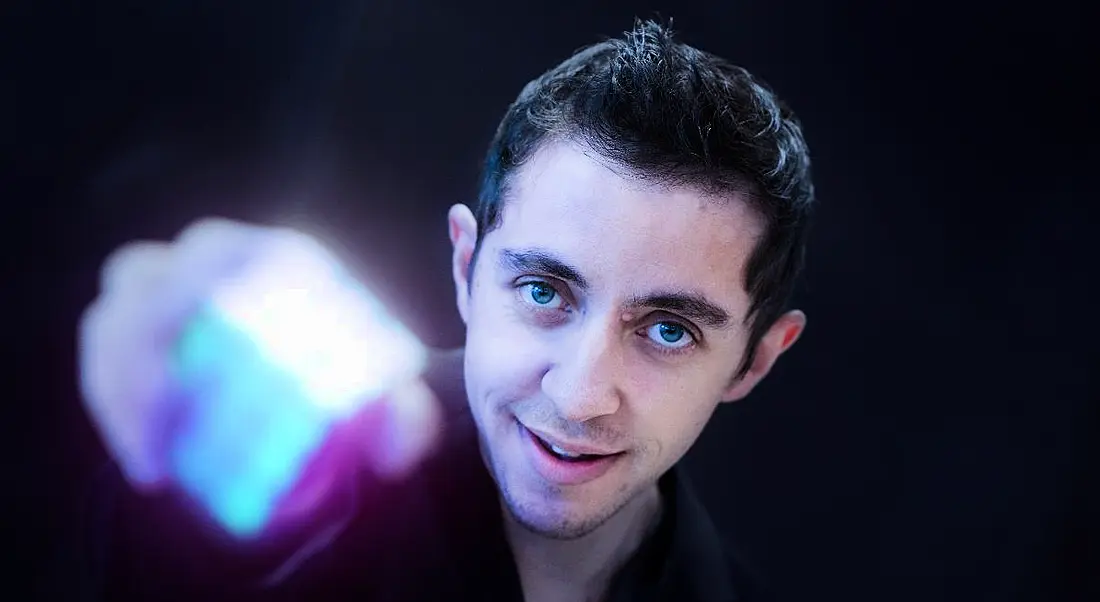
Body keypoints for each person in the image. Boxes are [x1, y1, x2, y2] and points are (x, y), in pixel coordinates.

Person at [73, 18, 815, 602]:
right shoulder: (289, 459)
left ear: (755, 359)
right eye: (543, 292)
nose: (578, 395)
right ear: (466, 265)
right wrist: (185, 491)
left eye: (667, 330)